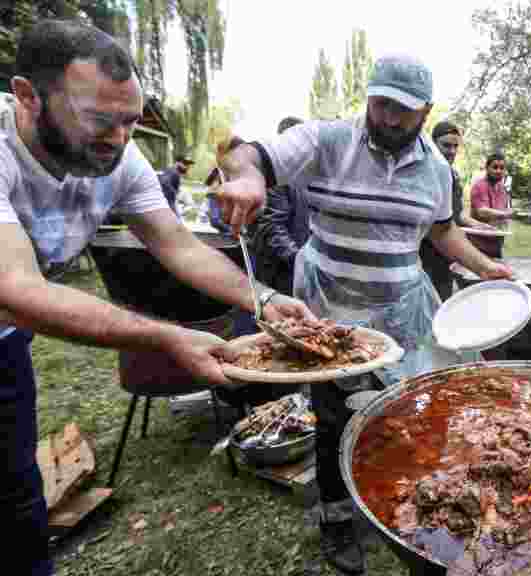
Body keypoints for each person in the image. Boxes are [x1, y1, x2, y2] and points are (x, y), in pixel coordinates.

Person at [0, 21, 311, 576]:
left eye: (130, 121)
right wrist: (167, 337)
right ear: (27, 96)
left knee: (18, 501)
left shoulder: (120, 157)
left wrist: (263, 300)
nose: (120, 139)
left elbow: (179, 246)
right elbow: (17, 290)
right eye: (100, 120)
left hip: (4, 345)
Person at [218, 54, 513, 575]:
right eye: (381, 104)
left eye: (403, 110)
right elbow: (247, 154)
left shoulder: (436, 169)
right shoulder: (327, 140)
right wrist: (245, 178)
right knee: (335, 415)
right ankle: (337, 519)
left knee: (407, 408)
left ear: (425, 111)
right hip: (327, 309)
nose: (389, 118)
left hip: (402, 309)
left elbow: (442, 230)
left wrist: (486, 267)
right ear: (369, 98)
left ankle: (400, 498)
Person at [418, 120, 487, 300]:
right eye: (446, 145)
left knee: (444, 299)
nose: (452, 151)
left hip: (448, 254)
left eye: (456, 146)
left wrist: (478, 225)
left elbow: (458, 213)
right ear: (433, 143)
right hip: (424, 254)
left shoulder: (452, 175)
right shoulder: (421, 172)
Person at [252, 116, 308, 296]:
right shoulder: (276, 177)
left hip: (296, 272)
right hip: (280, 273)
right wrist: (300, 261)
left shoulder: (302, 175)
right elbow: (271, 227)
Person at [469, 151, 514, 258]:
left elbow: (504, 211)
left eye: (502, 168)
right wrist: (505, 214)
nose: (499, 171)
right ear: (487, 168)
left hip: (496, 242)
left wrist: (507, 216)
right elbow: (482, 211)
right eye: (495, 167)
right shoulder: (479, 186)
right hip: (479, 244)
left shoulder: (502, 188)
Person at [205, 136, 246, 234]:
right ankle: (234, 233)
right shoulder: (219, 165)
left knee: (221, 221)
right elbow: (208, 182)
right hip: (215, 194)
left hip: (225, 196)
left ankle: (235, 233)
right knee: (216, 220)